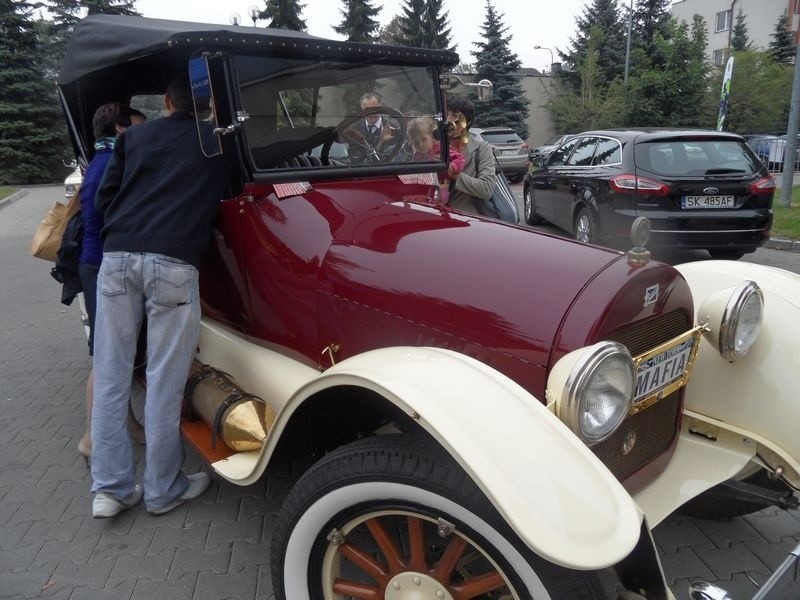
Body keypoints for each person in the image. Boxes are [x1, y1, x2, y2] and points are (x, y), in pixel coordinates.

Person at [90, 72, 229, 518]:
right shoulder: (216, 144)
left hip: (117, 258)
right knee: (165, 380)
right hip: (173, 261)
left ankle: (110, 491)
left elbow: (104, 200)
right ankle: (163, 488)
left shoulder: (135, 137)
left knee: (111, 376)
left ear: (167, 103)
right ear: (205, 107)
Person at [76, 103, 146, 465]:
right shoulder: (110, 164)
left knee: (119, 352)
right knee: (108, 357)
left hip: (100, 263)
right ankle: (91, 438)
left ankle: (129, 423)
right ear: (121, 128)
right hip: (103, 265)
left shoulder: (102, 159)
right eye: (138, 128)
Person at [445, 95, 497, 217]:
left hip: (470, 220)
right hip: (440, 218)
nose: (448, 119)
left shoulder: (481, 148)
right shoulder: (435, 146)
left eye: (455, 115)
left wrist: (454, 173)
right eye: (446, 114)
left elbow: (487, 189)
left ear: (467, 122)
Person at [408, 116, 465, 202]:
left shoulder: (441, 148)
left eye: (424, 139)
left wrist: (452, 168)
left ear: (433, 138)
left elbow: (460, 158)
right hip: (425, 188)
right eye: (416, 142)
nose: (420, 144)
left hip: (442, 187)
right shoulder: (417, 156)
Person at [348, 92, 396, 163]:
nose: (371, 113)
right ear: (362, 108)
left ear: (381, 106)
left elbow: (394, 154)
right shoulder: (354, 129)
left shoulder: (392, 128)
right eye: (367, 110)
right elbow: (354, 158)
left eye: (374, 109)